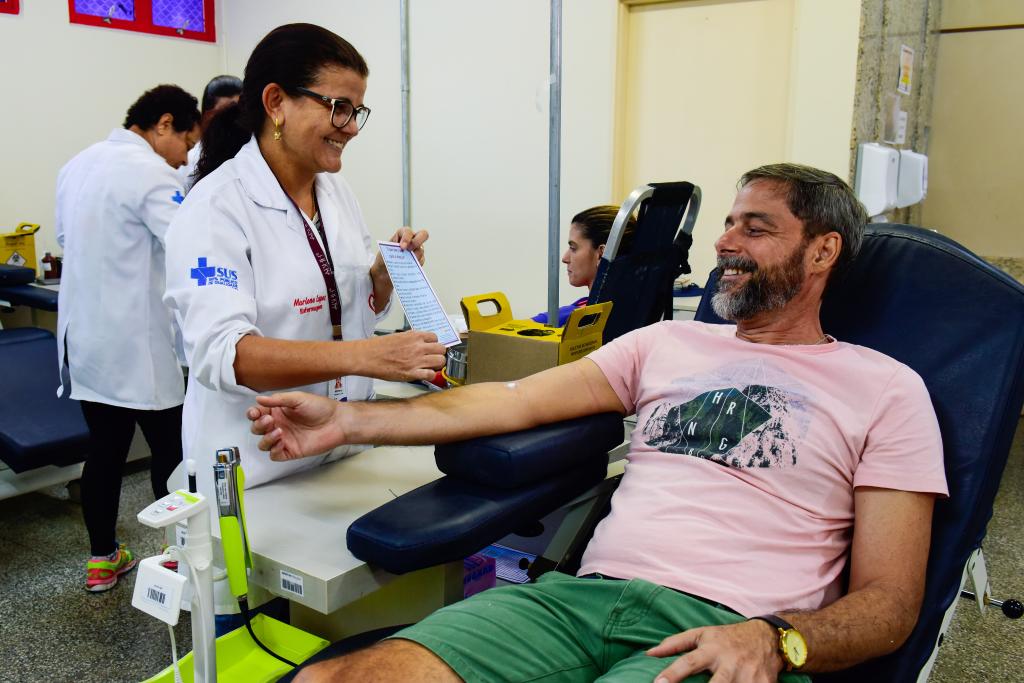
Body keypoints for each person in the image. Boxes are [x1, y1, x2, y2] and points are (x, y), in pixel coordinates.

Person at [247, 163, 949, 683]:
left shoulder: (886, 389)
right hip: (578, 599)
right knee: (331, 678)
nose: (724, 244)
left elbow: (890, 603)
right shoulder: (664, 345)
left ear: (822, 251)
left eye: (754, 228)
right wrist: (344, 419)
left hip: (725, 628)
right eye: (727, 224)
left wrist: (778, 639)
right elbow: (509, 400)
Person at [163, 23, 446, 514]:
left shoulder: (333, 192)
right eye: (338, 107)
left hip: (341, 448)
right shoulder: (216, 208)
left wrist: (383, 274)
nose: (351, 126)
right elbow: (226, 355)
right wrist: (367, 358)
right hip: (257, 468)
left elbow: (355, 308)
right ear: (276, 102)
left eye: (357, 110)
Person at [55, 84, 201, 592]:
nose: (185, 157)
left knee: (105, 451)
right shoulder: (152, 175)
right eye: (186, 142)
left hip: (85, 342)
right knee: (171, 453)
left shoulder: (76, 166)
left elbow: (69, 243)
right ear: (164, 124)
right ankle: (178, 555)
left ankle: (101, 560)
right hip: (139, 346)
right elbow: (188, 244)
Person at [532, 205, 636, 326]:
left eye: (573, 248)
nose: (565, 258)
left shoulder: (573, 318)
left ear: (601, 254)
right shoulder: (639, 312)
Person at [179, 74, 243, 189]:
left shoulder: (252, 154)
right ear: (206, 117)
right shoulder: (190, 161)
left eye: (240, 113)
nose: (234, 121)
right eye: (227, 113)